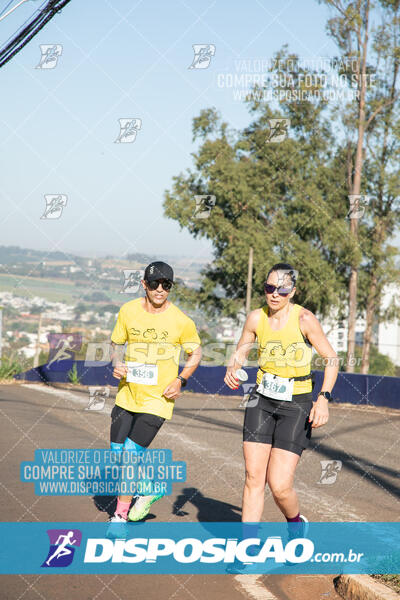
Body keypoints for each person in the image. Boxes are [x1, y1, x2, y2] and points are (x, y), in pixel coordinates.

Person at [224, 263, 338, 534]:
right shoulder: (255, 318)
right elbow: (241, 350)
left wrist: (323, 399)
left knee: (279, 485)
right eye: (269, 288)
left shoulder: (304, 320)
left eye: (282, 289)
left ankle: (296, 523)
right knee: (253, 476)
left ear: (293, 291)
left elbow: (331, 359)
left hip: (296, 404)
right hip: (261, 399)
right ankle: (248, 545)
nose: (275, 294)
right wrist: (234, 366)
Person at [109, 261, 201, 524]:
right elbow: (116, 342)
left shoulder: (181, 321)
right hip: (127, 394)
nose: (160, 289)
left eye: (166, 285)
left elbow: (196, 353)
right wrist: (117, 362)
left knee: (130, 454)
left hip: (158, 400)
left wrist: (181, 379)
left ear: (171, 287)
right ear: (144, 285)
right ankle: (149, 488)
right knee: (118, 452)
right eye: (154, 284)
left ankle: (119, 516)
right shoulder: (128, 311)